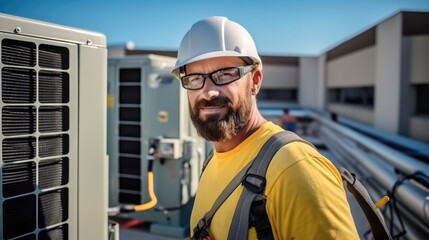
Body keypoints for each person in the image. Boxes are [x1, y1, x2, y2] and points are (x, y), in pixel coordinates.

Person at [172, 16, 359, 240]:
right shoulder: (212, 161)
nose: (208, 91)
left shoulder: (296, 170)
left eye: (225, 74)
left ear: (256, 81)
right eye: (194, 78)